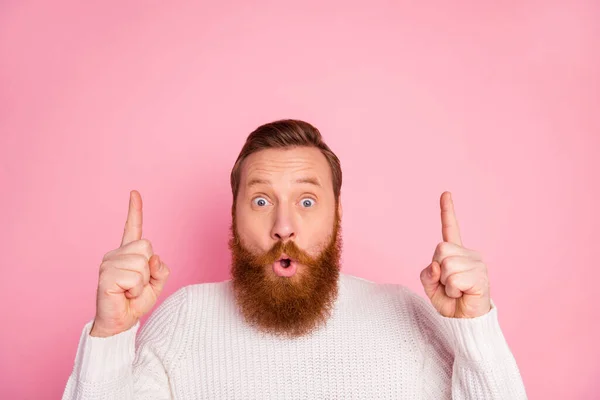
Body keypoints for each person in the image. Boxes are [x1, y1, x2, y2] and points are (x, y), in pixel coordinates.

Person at [62, 120, 528, 399]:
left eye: (307, 201)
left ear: (337, 213)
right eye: (261, 201)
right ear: (234, 214)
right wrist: (111, 335)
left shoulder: (405, 315)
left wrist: (475, 329)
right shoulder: (186, 318)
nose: (284, 226)